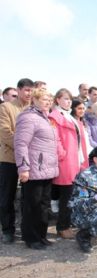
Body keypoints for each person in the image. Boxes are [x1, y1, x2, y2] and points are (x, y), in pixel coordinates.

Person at [14, 88, 59, 250]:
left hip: (48, 169)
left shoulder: (47, 119)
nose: (47, 102)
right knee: (32, 204)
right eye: (44, 99)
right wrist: (23, 168)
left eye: (49, 99)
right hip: (33, 169)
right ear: (34, 100)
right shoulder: (28, 118)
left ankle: (41, 236)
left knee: (44, 204)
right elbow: (21, 144)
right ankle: (31, 238)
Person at [48, 89, 89, 239]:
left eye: (70, 99)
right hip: (65, 160)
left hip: (74, 159)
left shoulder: (70, 117)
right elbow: (55, 138)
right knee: (66, 194)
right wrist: (62, 154)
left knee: (71, 194)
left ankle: (67, 223)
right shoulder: (54, 117)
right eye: (65, 99)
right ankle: (62, 226)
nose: (68, 102)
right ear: (57, 100)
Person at [0, 78, 33, 244]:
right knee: (7, 196)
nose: (29, 93)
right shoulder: (6, 107)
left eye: (31, 90)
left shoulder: (32, 109)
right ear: (19, 90)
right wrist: (22, 147)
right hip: (9, 159)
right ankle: (7, 230)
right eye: (26, 90)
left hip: (29, 161)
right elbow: (5, 132)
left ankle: (25, 229)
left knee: (28, 197)